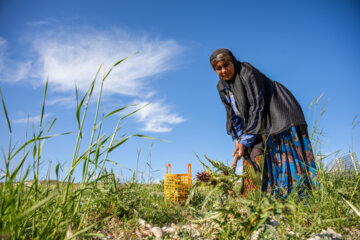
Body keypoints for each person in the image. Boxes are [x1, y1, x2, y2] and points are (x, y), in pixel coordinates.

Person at [210, 48, 317, 198]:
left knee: (283, 153)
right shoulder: (222, 87)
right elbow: (233, 115)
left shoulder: (247, 72)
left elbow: (257, 106)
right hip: (259, 122)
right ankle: (261, 199)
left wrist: (246, 139)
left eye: (226, 65)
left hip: (279, 112)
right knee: (252, 154)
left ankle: (297, 198)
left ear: (233, 62)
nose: (223, 70)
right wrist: (239, 139)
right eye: (218, 68)